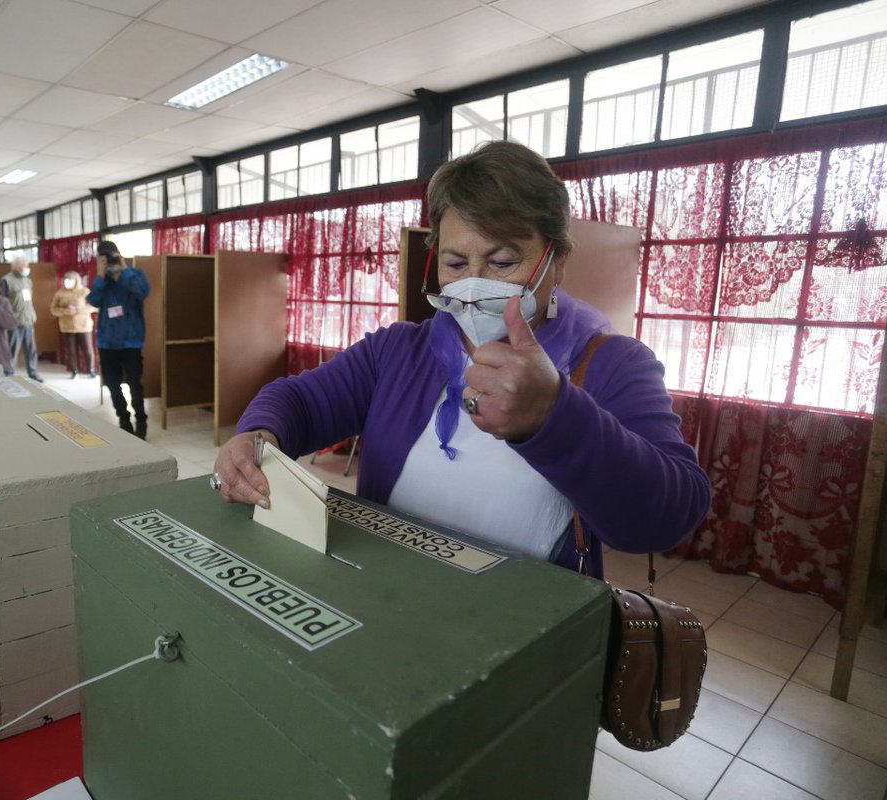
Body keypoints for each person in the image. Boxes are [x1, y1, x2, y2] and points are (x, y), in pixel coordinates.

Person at [212, 140, 711, 579]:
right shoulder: (400, 351)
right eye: (456, 263)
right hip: (388, 600)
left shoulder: (613, 365)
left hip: (523, 637)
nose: (476, 283)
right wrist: (257, 435)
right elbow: (299, 399)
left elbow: (668, 514)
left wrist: (554, 415)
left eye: (502, 261)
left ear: (556, 260)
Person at [87, 241, 150, 439]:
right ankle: (123, 418)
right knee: (113, 384)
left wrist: (124, 271)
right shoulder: (101, 280)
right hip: (107, 342)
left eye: (113, 256)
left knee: (134, 383)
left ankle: (141, 419)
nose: (110, 261)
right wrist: (100, 275)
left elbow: (143, 292)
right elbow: (93, 301)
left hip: (131, 341)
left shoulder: (135, 275)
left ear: (120, 255)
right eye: (105, 259)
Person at [0, 257, 43, 382]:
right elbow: (2, 303)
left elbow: (28, 301)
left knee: (31, 349)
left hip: (28, 319)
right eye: (25, 265)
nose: (27, 268)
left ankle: (33, 373)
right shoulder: (6, 280)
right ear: (16, 266)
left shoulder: (28, 281)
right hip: (14, 321)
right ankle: (9, 372)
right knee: (12, 349)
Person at [50, 271, 96, 379]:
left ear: (76, 281)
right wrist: (64, 311)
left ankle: (91, 369)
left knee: (87, 349)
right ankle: (74, 371)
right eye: (65, 280)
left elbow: (93, 307)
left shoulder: (84, 291)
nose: (67, 282)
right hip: (67, 326)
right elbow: (53, 309)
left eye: (69, 280)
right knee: (71, 350)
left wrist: (77, 310)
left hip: (83, 326)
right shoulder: (59, 293)